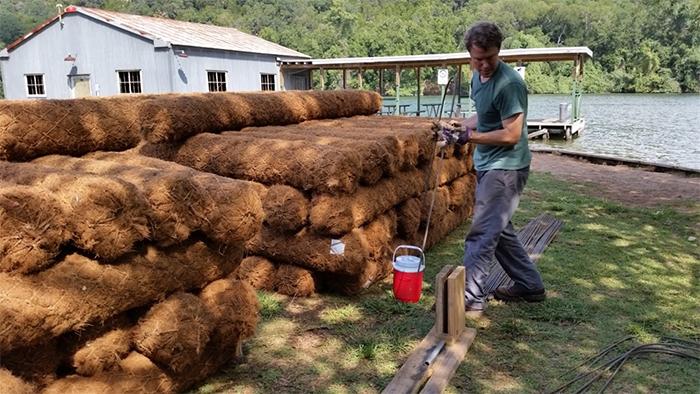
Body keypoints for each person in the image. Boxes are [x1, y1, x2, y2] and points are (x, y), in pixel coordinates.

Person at [434, 21, 545, 315]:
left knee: (482, 233)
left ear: (499, 51)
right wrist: (460, 126)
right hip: (487, 164)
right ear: (470, 54)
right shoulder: (476, 77)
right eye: (477, 59)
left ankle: (469, 298)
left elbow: (511, 134)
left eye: (489, 58)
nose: (483, 65)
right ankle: (529, 284)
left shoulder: (510, 84)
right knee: (499, 231)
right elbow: (484, 116)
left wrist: (470, 137)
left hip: (506, 168)